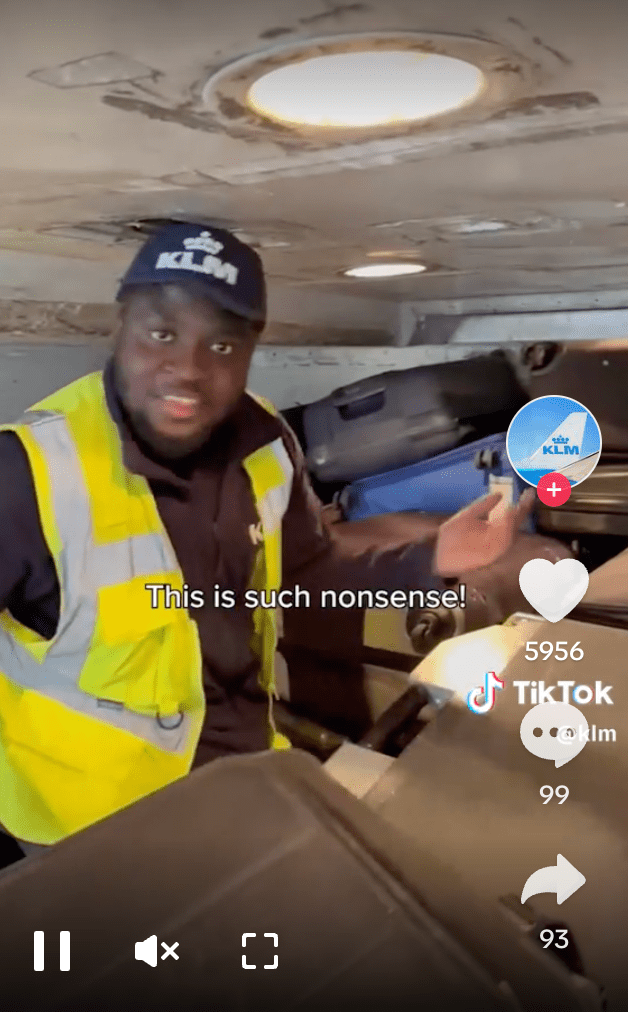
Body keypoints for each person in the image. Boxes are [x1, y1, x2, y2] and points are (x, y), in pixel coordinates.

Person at [0, 223, 533, 852]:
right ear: (121, 326)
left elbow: (307, 575)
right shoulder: (27, 473)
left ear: (252, 349)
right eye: (162, 334)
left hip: (240, 777)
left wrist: (432, 557)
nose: (188, 369)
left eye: (222, 345)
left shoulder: (266, 442)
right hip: (90, 827)